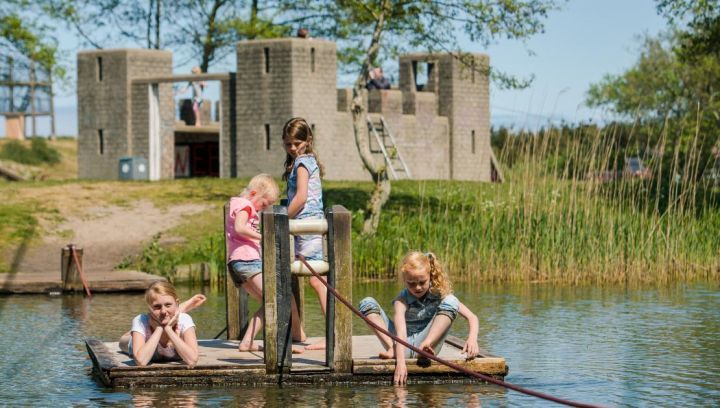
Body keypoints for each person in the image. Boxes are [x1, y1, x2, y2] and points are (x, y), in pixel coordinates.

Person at [358, 251, 480, 385]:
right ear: (404, 280)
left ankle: (425, 348)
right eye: (411, 283)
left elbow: (472, 317)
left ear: (430, 276)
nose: (417, 287)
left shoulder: (439, 293)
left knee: (452, 301)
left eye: (422, 282)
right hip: (400, 343)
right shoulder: (401, 300)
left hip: (427, 343)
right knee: (367, 302)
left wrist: (472, 339)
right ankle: (392, 349)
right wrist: (400, 362)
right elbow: (401, 331)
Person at [226, 173, 306, 352]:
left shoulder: (237, 204)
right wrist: (263, 237)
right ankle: (285, 342)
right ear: (254, 193)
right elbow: (240, 227)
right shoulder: (246, 206)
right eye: (264, 204)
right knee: (279, 298)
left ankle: (247, 342)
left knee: (270, 301)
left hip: (237, 263)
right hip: (247, 261)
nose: (263, 208)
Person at [282, 117, 327, 350]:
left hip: (307, 225)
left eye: (296, 143)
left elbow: (300, 198)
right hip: (305, 225)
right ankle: (298, 331)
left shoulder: (302, 163)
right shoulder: (303, 162)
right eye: (288, 143)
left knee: (317, 281)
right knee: (314, 279)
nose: (292, 148)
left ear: (308, 140)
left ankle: (332, 334)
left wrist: (281, 219)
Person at [118, 281, 202, 367]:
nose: (163, 311)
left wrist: (168, 329)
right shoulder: (140, 320)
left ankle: (179, 309)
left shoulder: (184, 319)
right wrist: (159, 328)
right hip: (131, 341)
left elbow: (192, 360)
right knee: (122, 342)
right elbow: (141, 362)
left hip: (171, 320)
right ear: (149, 308)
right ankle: (133, 331)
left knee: (168, 316)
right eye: (157, 307)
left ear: (176, 303)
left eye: (168, 305)